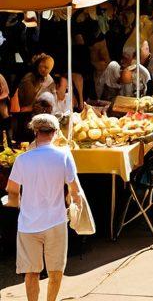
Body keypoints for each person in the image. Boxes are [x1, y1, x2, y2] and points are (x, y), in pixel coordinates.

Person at [7, 114, 82, 301]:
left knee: (30, 273)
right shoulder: (63, 156)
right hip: (56, 222)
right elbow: (75, 191)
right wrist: (76, 209)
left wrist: (16, 205)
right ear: (55, 133)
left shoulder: (22, 160)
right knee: (55, 271)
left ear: (35, 132)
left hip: (27, 224)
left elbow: (12, 191)